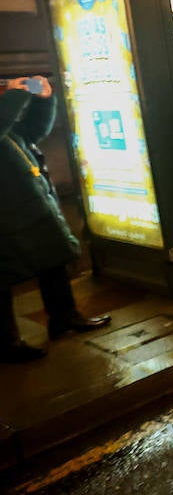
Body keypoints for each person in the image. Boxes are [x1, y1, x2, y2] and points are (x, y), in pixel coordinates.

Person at [2, 75, 111, 362]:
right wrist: (16, 94)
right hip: (5, 217)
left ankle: (64, 318)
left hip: (28, 209)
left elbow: (32, 130)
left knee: (53, 259)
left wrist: (44, 100)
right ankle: (7, 343)